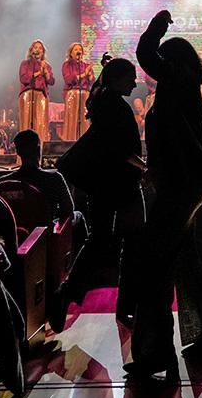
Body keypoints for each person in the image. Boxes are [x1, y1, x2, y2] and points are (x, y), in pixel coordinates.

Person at [125, 10, 202, 379]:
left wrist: (157, 24)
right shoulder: (182, 86)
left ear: (174, 61)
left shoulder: (176, 79)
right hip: (186, 181)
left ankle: (155, 354)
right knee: (183, 258)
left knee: (155, 265)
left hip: (180, 184)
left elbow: (144, 54)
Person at [52, 58, 146, 331]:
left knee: (102, 241)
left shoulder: (103, 101)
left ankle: (68, 293)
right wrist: (145, 168)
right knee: (130, 243)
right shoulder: (115, 106)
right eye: (130, 78)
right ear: (117, 79)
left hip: (105, 182)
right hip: (120, 182)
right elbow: (121, 150)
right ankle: (123, 306)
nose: (134, 83)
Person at [0, 129, 75, 221]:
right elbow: (68, 209)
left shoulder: (3, 182)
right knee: (78, 215)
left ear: (18, 152)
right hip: (45, 231)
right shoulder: (54, 179)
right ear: (38, 149)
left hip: (13, 232)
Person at [18, 39, 55, 142]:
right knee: (26, 123)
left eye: (40, 48)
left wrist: (46, 72)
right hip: (27, 94)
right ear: (31, 50)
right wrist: (39, 73)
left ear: (43, 52)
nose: (37, 50)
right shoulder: (25, 64)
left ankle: (40, 152)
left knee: (41, 124)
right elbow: (24, 79)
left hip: (41, 95)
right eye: (35, 47)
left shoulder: (47, 66)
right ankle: (24, 151)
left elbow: (52, 81)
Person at [61, 42, 95, 141]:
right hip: (72, 93)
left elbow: (92, 82)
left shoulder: (86, 65)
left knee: (85, 120)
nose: (78, 51)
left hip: (85, 94)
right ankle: (70, 142)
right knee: (72, 120)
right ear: (71, 53)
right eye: (75, 49)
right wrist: (84, 74)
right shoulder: (67, 65)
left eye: (80, 49)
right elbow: (69, 80)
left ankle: (85, 142)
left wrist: (90, 75)